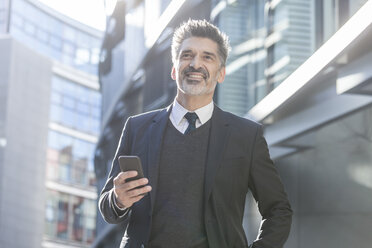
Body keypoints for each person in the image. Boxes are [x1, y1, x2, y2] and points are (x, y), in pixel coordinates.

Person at [99, 19, 292, 248]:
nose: (195, 64)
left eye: (207, 57)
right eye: (187, 55)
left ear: (220, 74)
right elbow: (107, 208)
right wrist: (118, 200)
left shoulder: (247, 136)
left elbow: (278, 210)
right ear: (174, 69)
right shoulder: (136, 128)